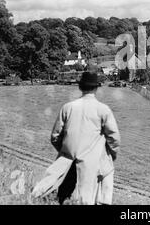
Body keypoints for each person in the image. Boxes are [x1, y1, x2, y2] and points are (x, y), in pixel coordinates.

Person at [32, 72, 121, 205]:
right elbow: (114, 139)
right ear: (96, 88)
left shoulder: (68, 107)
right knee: (89, 197)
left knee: (62, 196)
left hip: (67, 161)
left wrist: (66, 151)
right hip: (91, 164)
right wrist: (111, 155)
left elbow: (55, 137)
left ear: (80, 87)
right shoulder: (103, 110)